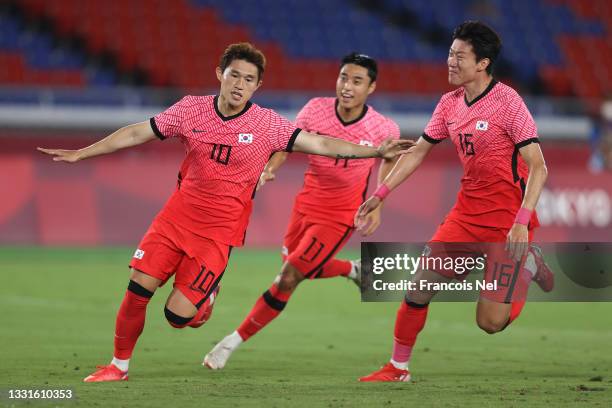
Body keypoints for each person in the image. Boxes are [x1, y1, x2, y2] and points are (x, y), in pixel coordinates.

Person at [37, 43, 413, 383]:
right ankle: (118, 366)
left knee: (179, 317)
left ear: (257, 85)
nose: (240, 84)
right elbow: (138, 132)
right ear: (220, 74)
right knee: (137, 290)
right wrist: (82, 152)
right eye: (234, 75)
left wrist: (376, 154)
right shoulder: (190, 110)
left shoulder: (266, 124)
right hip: (174, 220)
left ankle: (209, 295)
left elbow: (321, 144)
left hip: (220, 232)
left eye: (249, 79)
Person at [355, 21, 554, 382]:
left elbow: (538, 167)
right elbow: (417, 152)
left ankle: (528, 266)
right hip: (465, 217)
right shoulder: (449, 104)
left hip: (505, 225)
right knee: (418, 285)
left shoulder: (508, 103)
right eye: (449, 53)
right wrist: (380, 194)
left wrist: (522, 221)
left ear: (483, 63)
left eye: (459, 56)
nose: (450, 61)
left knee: (490, 323)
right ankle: (398, 368)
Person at [204, 53, 400, 370]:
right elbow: (287, 143)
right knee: (295, 266)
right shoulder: (315, 110)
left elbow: (389, 160)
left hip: (340, 215)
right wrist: (270, 169)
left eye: (357, 81)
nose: (347, 87)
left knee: (288, 276)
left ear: (371, 87)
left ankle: (231, 342)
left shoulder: (382, 127)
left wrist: (378, 202)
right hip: (305, 205)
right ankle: (353, 270)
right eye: (343, 78)